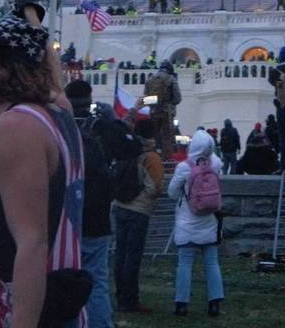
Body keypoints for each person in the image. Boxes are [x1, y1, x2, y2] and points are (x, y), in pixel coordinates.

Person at [0, 15, 84, 328]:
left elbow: (32, 244)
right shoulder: (59, 114)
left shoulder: (16, 128)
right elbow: (55, 86)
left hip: (13, 313)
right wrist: (33, 24)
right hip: (60, 305)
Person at [67, 80, 143, 328]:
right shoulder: (100, 127)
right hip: (96, 215)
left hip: (63, 216)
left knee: (62, 277)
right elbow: (132, 148)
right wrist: (115, 122)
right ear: (90, 100)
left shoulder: (58, 126)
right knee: (96, 278)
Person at [169, 129, 225, 317]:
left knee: (184, 263)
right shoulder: (215, 163)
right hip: (209, 219)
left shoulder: (184, 167)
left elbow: (172, 192)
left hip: (187, 220)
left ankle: (181, 304)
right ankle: (215, 303)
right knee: (212, 263)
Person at [113, 115, 166, 314]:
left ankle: (120, 296)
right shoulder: (151, 157)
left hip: (119, 206)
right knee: (133, 257)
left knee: (120, 254)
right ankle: (130, 300)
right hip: (138, 210)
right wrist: (142, 199)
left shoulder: (125, 150)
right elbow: (155, 187)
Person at [144, 61, 181, 147]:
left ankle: (155, 155)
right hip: (166, 112)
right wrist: (168, 102)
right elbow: (178, 98)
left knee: (153, 136)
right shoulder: (171, 78)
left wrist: (155, 103)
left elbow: (146, 99)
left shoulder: (150, 79)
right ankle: (167, 158)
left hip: (153, 112)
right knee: (167, 138)